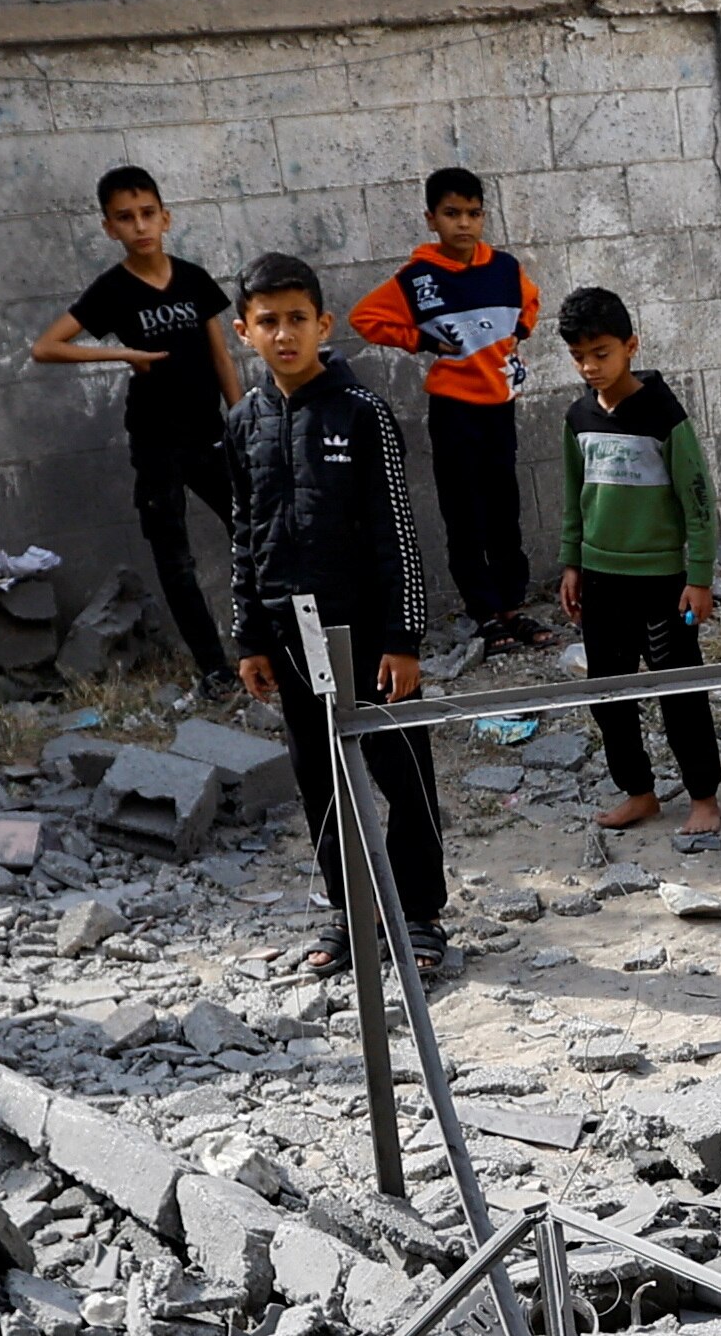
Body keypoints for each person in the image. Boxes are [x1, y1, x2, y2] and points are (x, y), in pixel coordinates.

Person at [222, 253, 448, 983]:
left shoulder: (362, 412)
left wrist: (403, 638)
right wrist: (249, 633)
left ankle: (417, 913)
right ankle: (352, 913)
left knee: (402, 775)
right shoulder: (244, 422)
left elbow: (400, 537)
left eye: (297, 319)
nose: (284, 334)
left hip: (367, 637)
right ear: (243, 332)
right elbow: (243, 531)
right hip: (291, 637)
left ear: (322, 324)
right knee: (319, 777)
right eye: (267, 322)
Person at [30, 164, 244, 695]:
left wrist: (243, 419)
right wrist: (121, 351)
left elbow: (221, 356)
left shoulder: (193, 278)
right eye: (125, 218)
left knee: (254, 533)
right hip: (156, 442)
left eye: (148, 214)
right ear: (110, 228)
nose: (140, 226)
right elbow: (45, 346)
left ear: (165, 217)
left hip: (211, 433)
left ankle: (270, 646)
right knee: (175, 557)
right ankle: (215, 669)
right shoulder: (112, 291)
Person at [553, 286, 721, 852]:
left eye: (601, 353)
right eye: (579, 356)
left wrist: (698, 577)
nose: (590, 366)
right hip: (601, 579)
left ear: (631, 346)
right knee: (610, 694)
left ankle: (703, 796)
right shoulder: (578, 416)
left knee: (680, 691)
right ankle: (640, 790)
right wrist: (571, 563)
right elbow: (573, 495)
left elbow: (698, 499)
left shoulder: (664, 415)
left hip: (663, 585)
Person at [351, 166, 544, 646]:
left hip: (500, 406)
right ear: (431, 219)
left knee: (504, 509)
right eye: (451, 213)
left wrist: (515, 337)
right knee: (465, 514)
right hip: (454, 412)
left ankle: (511, 604)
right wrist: (420, 341)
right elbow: (365, 318)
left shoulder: (504, 268)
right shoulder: (418, 279)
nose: (463, 223)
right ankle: (484, 613)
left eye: (473, 213)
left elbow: (531, 305)